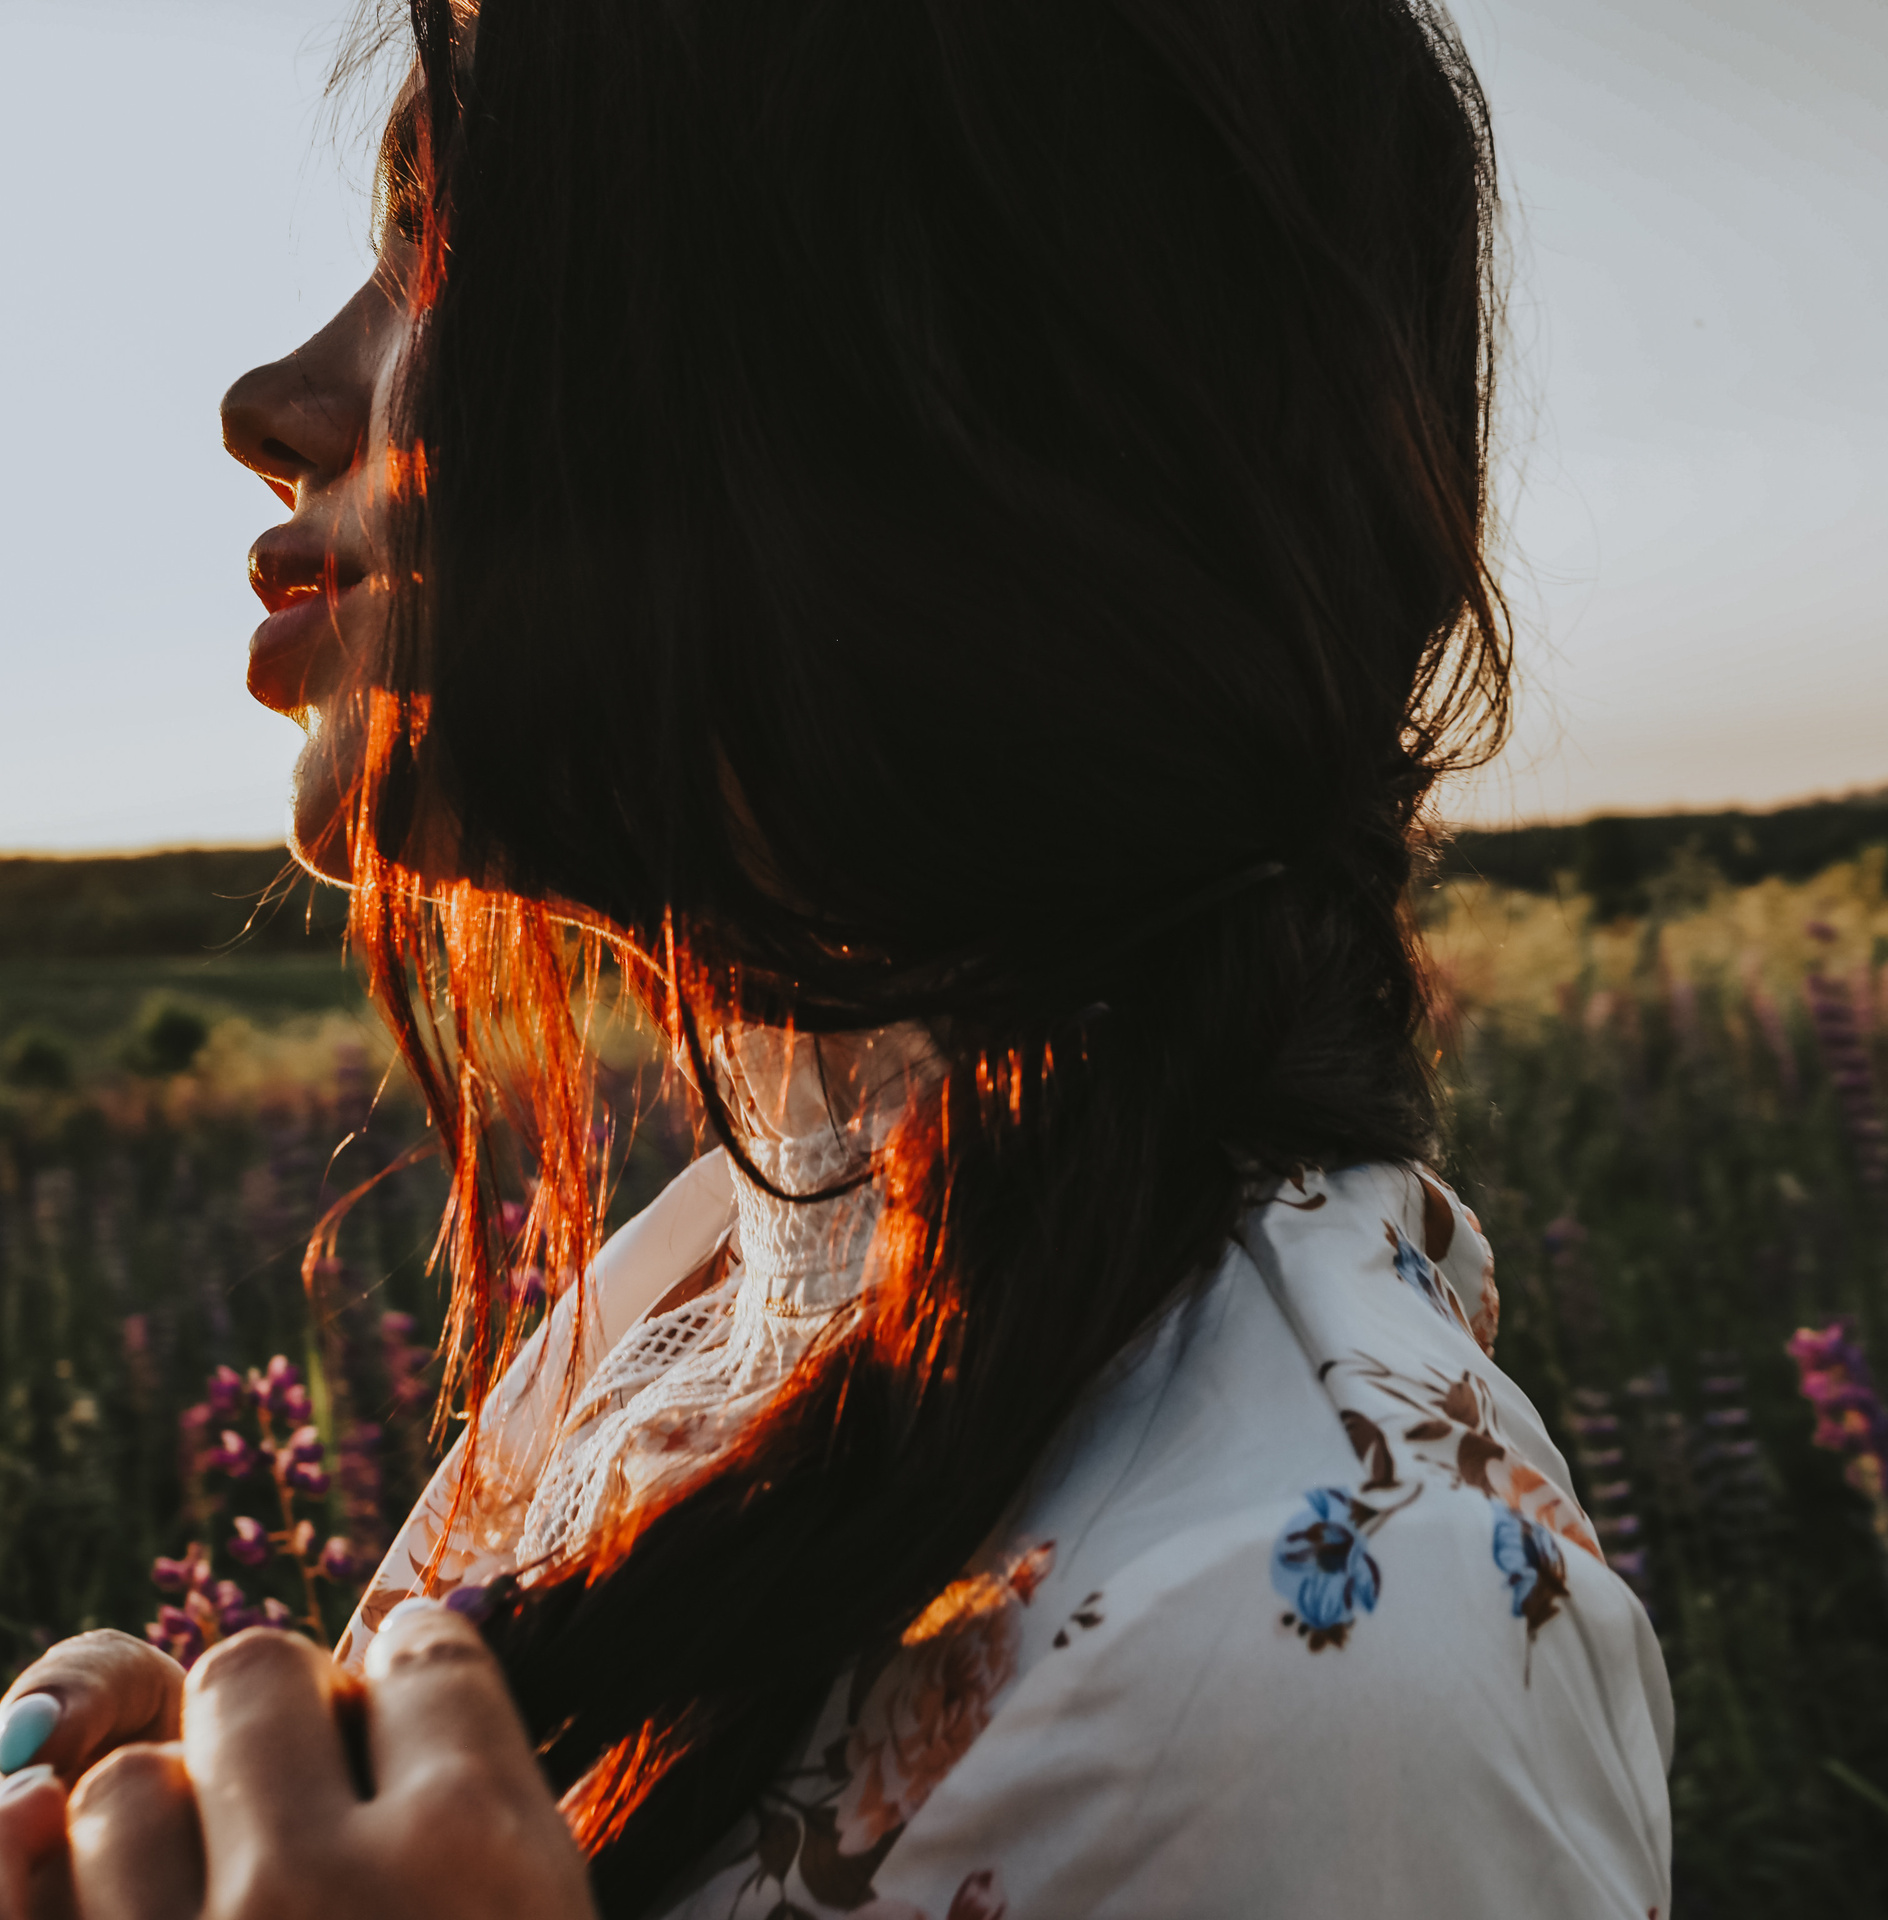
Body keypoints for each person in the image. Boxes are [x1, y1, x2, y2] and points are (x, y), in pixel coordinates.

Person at [0, 2, 1673, 1914]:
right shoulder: (752, 1277)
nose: (274, 400)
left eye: (449, 248)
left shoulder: (1336, 1670)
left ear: (897, 393)